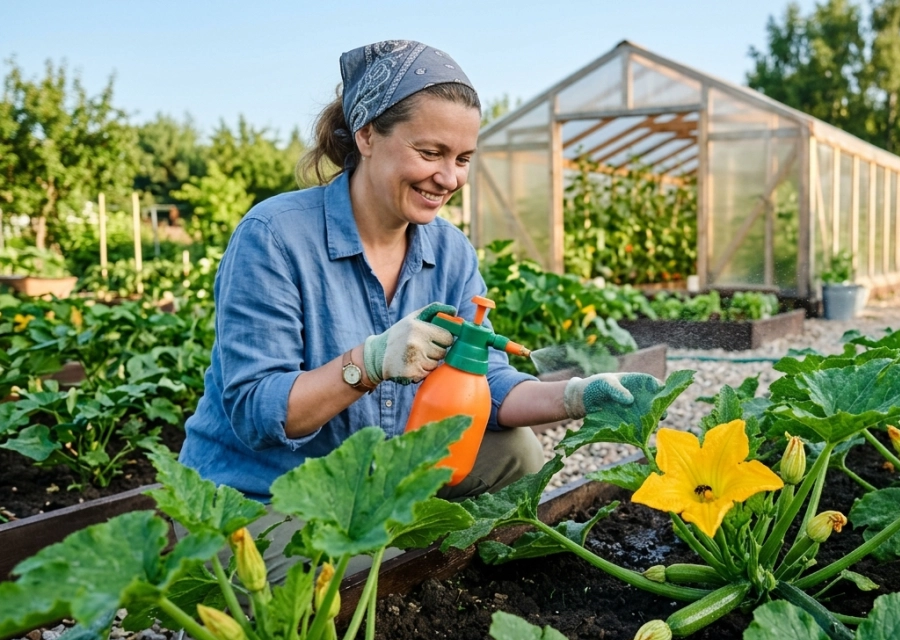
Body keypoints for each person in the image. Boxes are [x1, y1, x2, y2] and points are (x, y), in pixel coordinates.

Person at [178, 39, 659, 582]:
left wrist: (575, 396)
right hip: (264, 495)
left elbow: (487, 380)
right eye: (430, 153)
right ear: (366, 135)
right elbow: (256, 410)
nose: (449, 178)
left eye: (463, 159)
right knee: (356, 580)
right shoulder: (275, 237)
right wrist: (368, 362)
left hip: (381, 479)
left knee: (515, 454)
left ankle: (449, 574)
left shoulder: (449, 251)